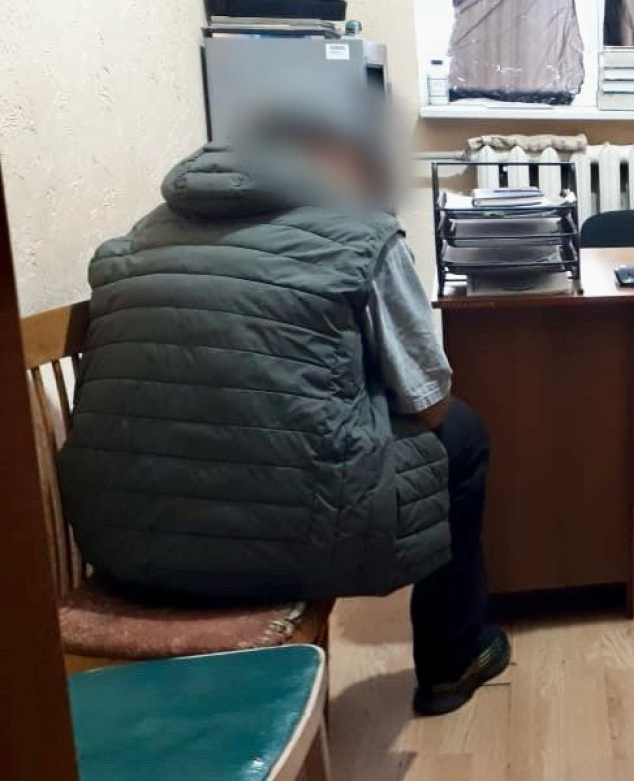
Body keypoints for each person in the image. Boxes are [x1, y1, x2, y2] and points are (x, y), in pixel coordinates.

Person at [58, 108, 508, 716]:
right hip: (298, 545)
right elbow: (427, 405)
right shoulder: (361, 236)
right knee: (462, 433)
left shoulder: (135, 241)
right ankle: (452, 662)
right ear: (327, 161)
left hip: (125, 544)